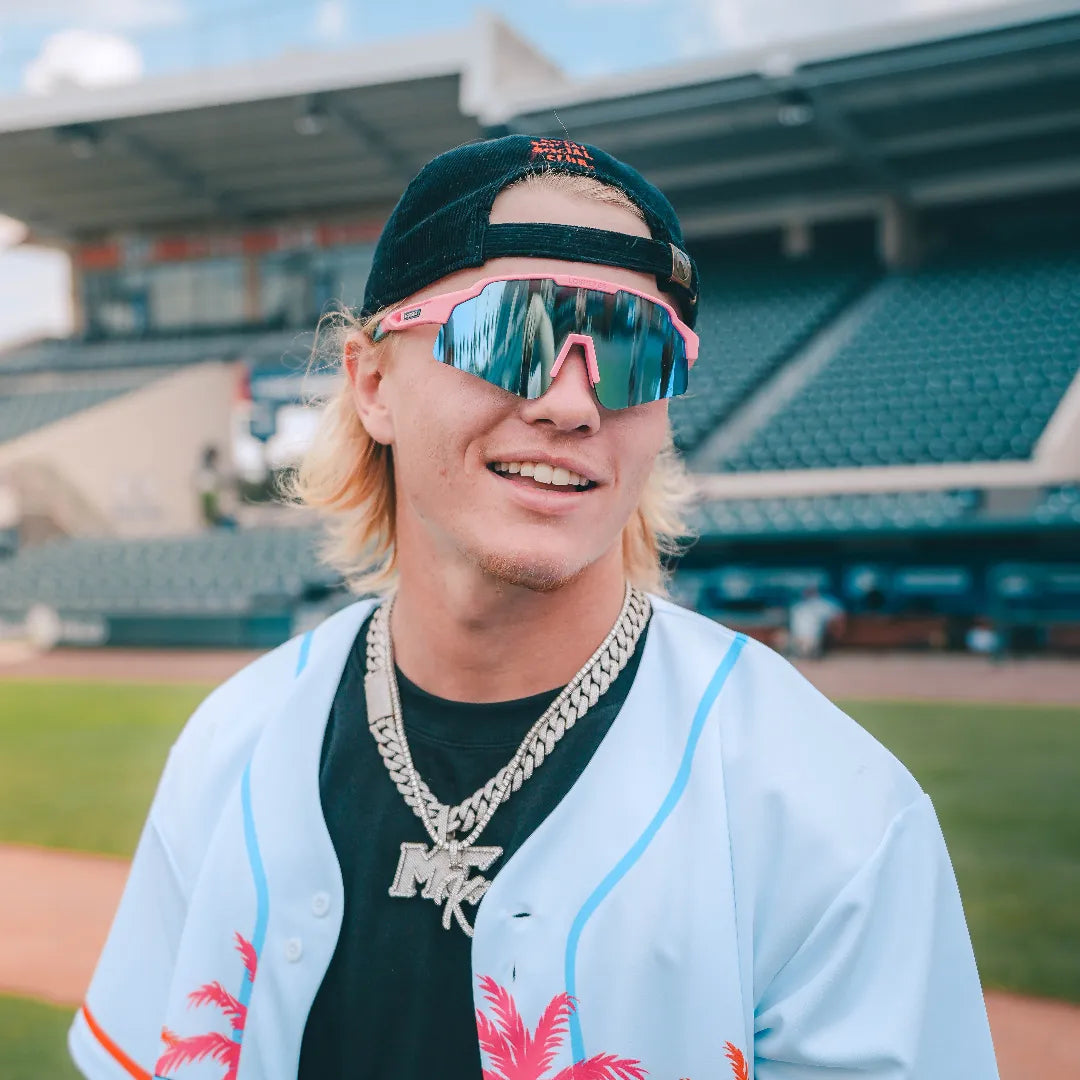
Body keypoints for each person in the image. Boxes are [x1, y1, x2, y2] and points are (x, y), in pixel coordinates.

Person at [69, 136, 1000, 1080]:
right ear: (373, 382)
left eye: (635, 351)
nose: (572, 403)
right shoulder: (233, 742)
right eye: (513, 333)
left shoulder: (831, 810)